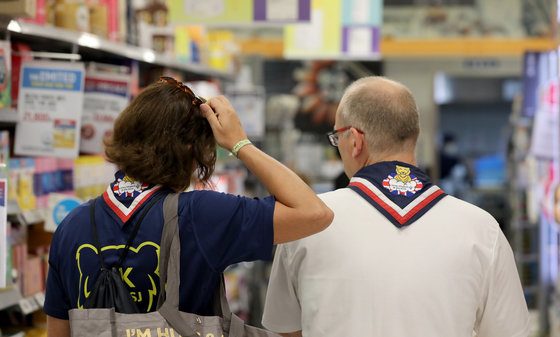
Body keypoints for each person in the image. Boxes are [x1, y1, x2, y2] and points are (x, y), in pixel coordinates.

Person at [44, 77, 334, 337]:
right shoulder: (200, 214)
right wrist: (238, 142)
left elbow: (57, 331)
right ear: (190, 149)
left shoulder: (71, 226)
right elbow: (314, 213)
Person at [261, 76, 529, 337]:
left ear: (355, 141)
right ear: (413, 136)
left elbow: (286, 330)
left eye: (337, 137)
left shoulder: (305, 223)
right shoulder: (481, 229)